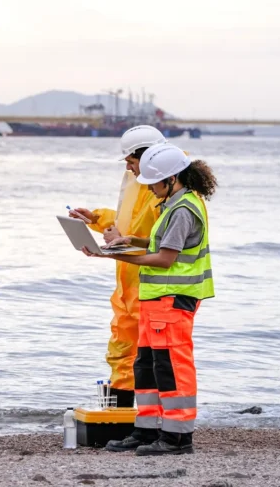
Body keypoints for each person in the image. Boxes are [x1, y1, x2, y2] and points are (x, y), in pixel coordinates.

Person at [82, 142, 217, 456]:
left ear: (171, 179)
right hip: (156, 300)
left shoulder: (183, 208)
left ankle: (177, 438)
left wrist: (112, 255)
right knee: (146, 366)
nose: (149, 189)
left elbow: (165, 258)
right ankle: (146, 430)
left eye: (153, 183)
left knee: (171, 367)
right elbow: (161, 242)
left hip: (172, 299)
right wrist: (133, 240)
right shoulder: (174, 203)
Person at [67, 125, 166, 410]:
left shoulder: (167, 186)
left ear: (148, 156)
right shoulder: (141, 181)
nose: (128, 167)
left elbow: (163, 242)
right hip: (129, 283)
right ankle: (120, 417)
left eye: (131, 161)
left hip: (152, 282)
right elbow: (128, 223)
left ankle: (154, 422)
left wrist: (116, 245)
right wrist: (96, 218)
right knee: (122, 351)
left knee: (151, 357)